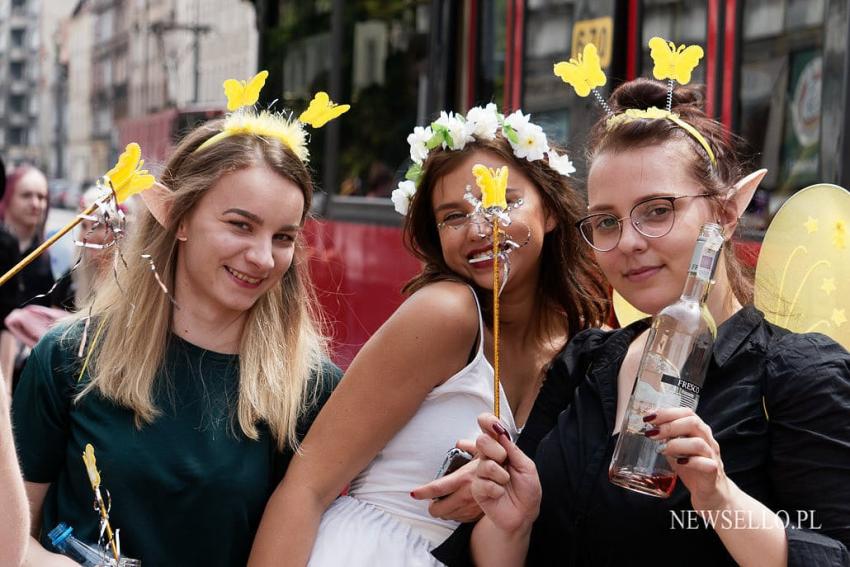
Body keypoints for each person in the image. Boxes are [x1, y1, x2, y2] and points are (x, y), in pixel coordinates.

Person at [440, 79, 850, 566]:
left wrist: (719, 499)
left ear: (723, 214)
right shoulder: (587, 362)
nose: (629, 242)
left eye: (657, 211)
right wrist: (513, 522)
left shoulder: (798, 375)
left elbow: (832, 554)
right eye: (607, 221)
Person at [248, 105, 608, 566]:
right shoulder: (446, 314)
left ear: (552, 210)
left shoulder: (582, 347)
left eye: (504, 200)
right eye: (453, 216)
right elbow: (307, 487)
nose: (481, 227)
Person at [12, 108, 342, 565]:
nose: (263, 258)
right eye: (240, 225)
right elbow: (12, 536)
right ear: (179, 218)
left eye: (284, 237)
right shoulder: (71, 354)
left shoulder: (311, 387)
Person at [0, 164, 52, 388]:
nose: (35, 204)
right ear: (8, 196)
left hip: (27, 372)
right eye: (26, 195)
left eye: (41, 197)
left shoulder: (49, 257)